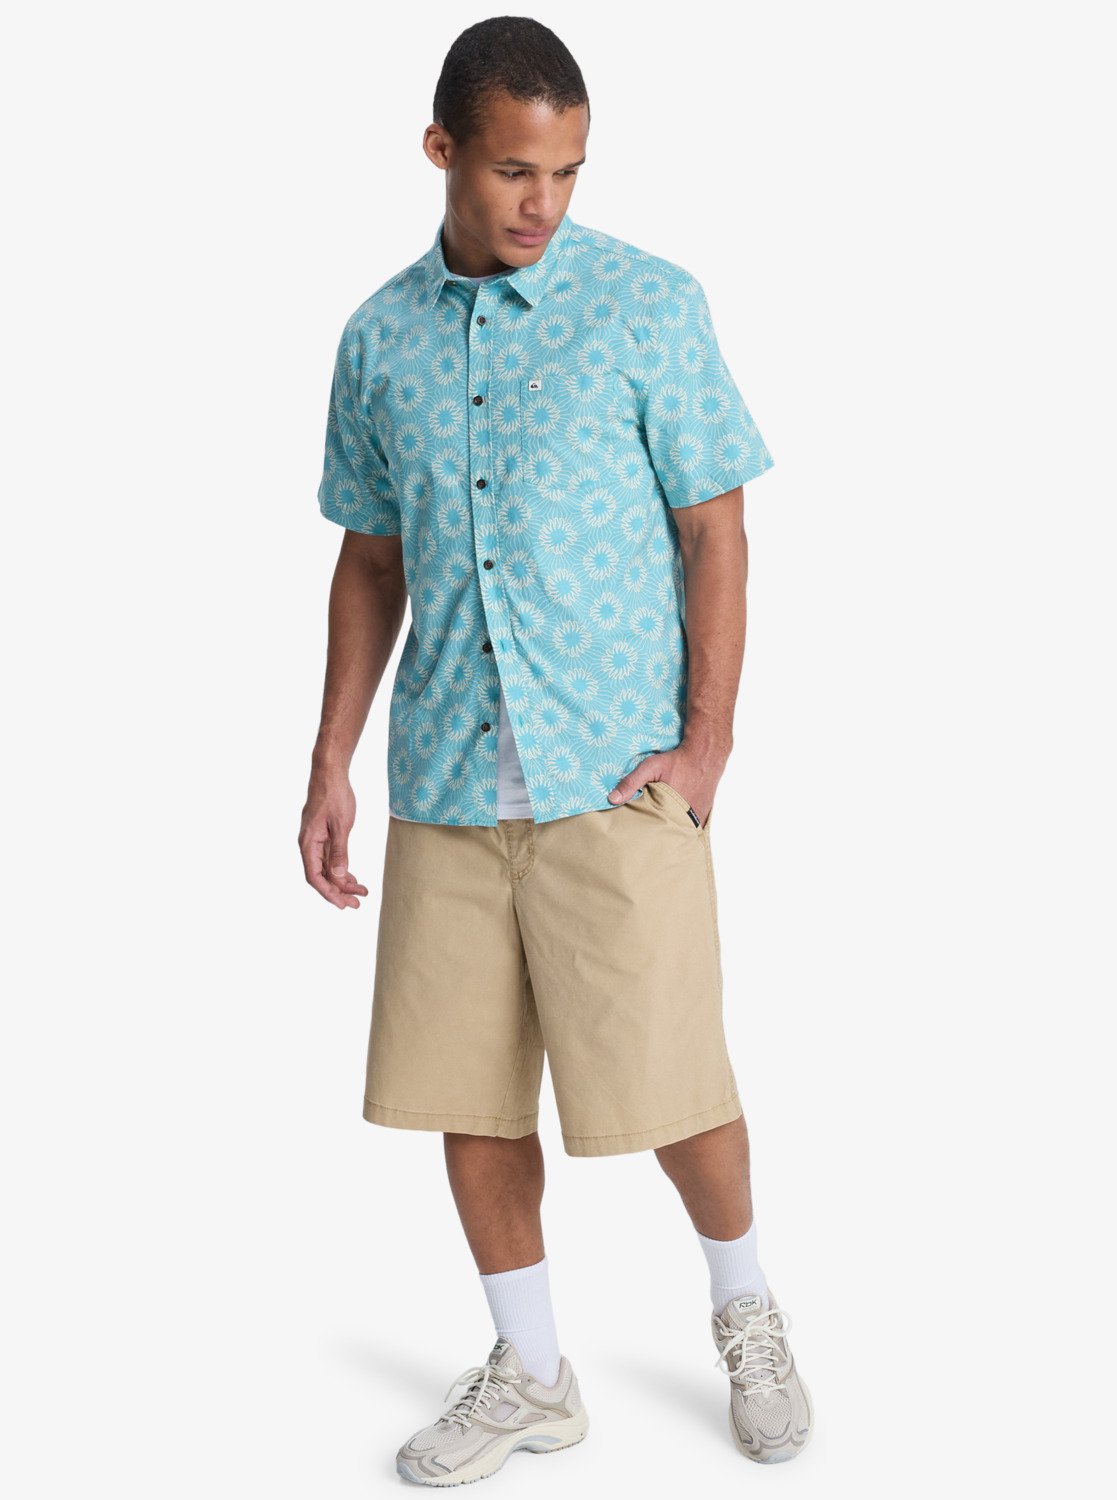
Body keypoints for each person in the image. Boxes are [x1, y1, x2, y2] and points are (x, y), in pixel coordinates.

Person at [300, 14, 812, 1486]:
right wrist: (330, 759)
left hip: (614, 776)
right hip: (448, 780)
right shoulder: (378, 337)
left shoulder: (646, 305)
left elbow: (715, 528)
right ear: (442, 149)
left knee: (676, 1086)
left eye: (568, 172)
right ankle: (532, 1373)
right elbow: (370, 558)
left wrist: (706, 747)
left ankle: (747, 1314)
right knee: (465, 1100)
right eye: (515, 170)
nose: (543, 202)